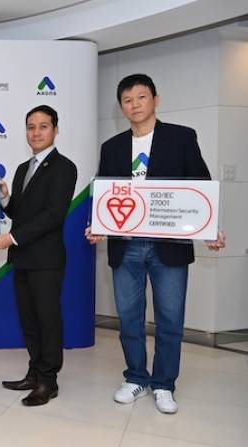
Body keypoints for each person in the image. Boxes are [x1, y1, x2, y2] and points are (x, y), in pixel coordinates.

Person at [86, 73, 226, 414]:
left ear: (155, 100)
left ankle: (164, 384)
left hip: (169, 245)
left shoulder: (181, 138)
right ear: (121, 107)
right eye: (127, 100)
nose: (134, 105)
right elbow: (105, 194)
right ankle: (136, 376)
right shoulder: (112, 147)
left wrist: (210, 228)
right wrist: (97, 225)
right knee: (129, 318)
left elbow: (200, 188)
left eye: (141, 97)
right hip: (126, 245)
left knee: (170, 319)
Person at [0, 105, 77, 406]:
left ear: (55, 130)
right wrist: (5, 198)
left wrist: (11, 238)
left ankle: (49, 381)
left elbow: (53, 215)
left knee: (47, 321)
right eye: (31, 127)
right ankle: (34, 372)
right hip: (23, 258)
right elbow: (20, 212)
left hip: (46, 260)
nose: (36, 132)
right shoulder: (24, 168)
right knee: (30, 320)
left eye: (43, 126)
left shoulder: (64, 167)